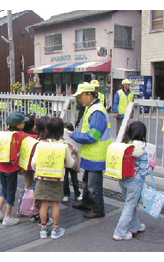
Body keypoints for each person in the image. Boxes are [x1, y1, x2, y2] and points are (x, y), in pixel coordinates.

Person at [68, 82, 112, 219]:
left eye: (81, 96)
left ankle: (98, 210)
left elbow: (93, 135)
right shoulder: (91, 107)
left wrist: (73, 135)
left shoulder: (96, 111)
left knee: (93, 185)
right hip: (91, 153)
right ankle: (86, 203)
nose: (79, 99)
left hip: (96, 155)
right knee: (87, 182)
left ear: (89, 94)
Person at [31, 118, 75, 239]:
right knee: (55, 204)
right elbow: (70, 164)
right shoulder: (64, 146)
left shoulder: (40, 144)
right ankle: (55, 230)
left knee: (44, 204)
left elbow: (33, 163)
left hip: (42, 178)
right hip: (57, 179)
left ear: (47, 129)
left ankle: (43, 230)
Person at [113, 121, 156, 241]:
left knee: (130, 205)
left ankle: (135, 226)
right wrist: (151, 166)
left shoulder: (124, 146)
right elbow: (143, 171)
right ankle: (119, 232)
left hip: (123, 180)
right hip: (135, 182)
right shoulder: (143, 150)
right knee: (129, 206)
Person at [0, 112, 37, 226]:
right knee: (11, 193)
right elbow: (35, 139)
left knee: (4, 190)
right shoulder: (20, 135)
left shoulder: (4, 133)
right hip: (11, 169)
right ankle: (7, 217)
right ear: (19, 125)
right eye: (23, 122)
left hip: (1, 167)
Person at [63, 122, 82, 202]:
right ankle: (66, 194)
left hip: (72, 161)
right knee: (65, 179)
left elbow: (78, 149)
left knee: (74, 179)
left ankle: (76, 194)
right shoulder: (62, 139)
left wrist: (74, 149)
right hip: (65, 161)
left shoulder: (74, 139)